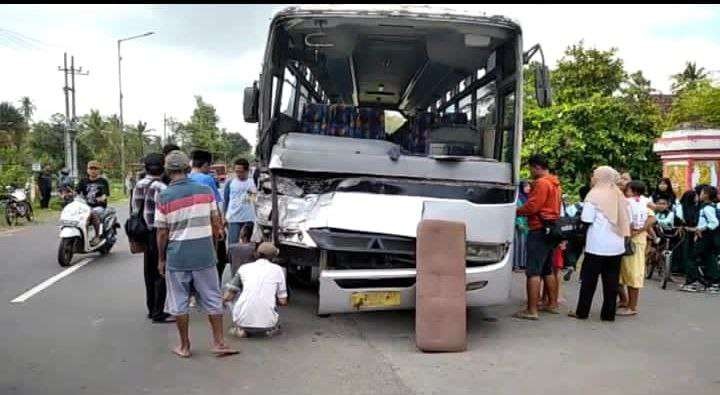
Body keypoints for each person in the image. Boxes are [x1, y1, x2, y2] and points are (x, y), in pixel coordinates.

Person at [155, 150, 238, 358]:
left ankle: (184, 346)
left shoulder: (163, 196)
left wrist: (161, 259)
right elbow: (216, 224)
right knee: (212, 297)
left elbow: (162, 232)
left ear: (167, 170)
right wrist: (213, 246)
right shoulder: (205, 190)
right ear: (186, 167)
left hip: (177, 257)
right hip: (204, 255)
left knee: (179, 301)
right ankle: (219, 343)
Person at [569, 166, 630, 321]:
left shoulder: (594, 195)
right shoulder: (618, 194)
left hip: (597, 245)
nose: (592, 178)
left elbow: (587, 219)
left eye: (594, 176)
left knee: (589, 281)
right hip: (616, 245)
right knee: (611, 282)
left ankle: (582, 311)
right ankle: (608, 314)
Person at [513, 154, 562, 320]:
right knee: (547, 269)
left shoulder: (541, 183)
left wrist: (515, 210)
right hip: (551, 229)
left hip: (538, 229)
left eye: (530, 168)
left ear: (537, 167)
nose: (530, 172)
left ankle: (531, 310)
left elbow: (533, 206)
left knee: (533, 271)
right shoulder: (555, 183)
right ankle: (552, 303)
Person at [131, 153, 173, 323]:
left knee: (148, 272)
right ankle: (159, 311)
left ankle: (151, 308)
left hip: (142, 233)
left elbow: (134, 209)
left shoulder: (138, 184)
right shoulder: (162, 188)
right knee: (161, 271)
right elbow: (164, 214)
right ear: (163, 167)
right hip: (158, 232)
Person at [223, 242, 288, 338]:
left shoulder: (244, 268)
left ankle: (240, 328)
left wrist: (223, 301)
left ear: (257, 254)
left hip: (242, 320)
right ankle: (269, 328)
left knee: (233, 296)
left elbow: (228, 296)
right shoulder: (278, 270)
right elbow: (283, 301)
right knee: (271, 303)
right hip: (268, 323)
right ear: (273, 257)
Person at [617, 180, 656, 316]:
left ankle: (632, 307)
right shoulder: (629, 202)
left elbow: (652, 218)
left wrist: (639, 230)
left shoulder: (640, 202)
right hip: (625, 240)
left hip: (635, 242)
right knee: (621, 273)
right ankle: (624, 301)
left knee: (633, 273)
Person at [189, 150, 227, 282]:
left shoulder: (186, 178)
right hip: (207, 224)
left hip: (190, 226)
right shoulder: (207, 179)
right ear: (205, 164)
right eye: (209, 165)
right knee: (218, 257)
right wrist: (220, 227)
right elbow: (215, 205)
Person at [681, 185, 719, 292]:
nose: (699, 195)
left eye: (701, 193)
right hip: (709, 236)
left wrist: (701, 229)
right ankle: (713, 283)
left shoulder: (707, 208)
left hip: (706, 236)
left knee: (692, 257)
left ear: (706, 195)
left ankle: (694, 282)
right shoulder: (710, 206)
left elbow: (714, 223)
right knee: (708, 257)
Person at [224, 158, 257, 250]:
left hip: (248, 219)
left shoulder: (252, 183)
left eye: (241, 171)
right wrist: (224, 217)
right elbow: (226, 201)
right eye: (236, 171)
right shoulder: (230, 183)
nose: (238, 174)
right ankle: (232, 262)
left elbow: (251, 200)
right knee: (232, 245)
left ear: (247, 171)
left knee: (247, 246)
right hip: (233, 218)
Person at [76, 160, 110, 245]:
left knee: (93, 213)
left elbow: (105, 195)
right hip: (85, 206)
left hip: (99, 206)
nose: (93, 170)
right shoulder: (83, 181)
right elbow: (76, 192)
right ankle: (80, 236)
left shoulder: (103, 181)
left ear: (99, 170)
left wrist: (101, 198)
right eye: (91, 168)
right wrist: (67, 194)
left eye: (95, 168)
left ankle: (97, 236)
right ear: (87, 170)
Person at [563, 185, 590, 281]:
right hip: (588, 234)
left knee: (573, 250)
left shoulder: (574, 206)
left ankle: (571, 265)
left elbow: (566, 217)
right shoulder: (592, 207)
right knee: (587, 255)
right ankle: (582, 277)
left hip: (574, 233)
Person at [512, 180, 530, 272]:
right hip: (519, 224)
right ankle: (516, 265)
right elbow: (516, 211)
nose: (528, 188)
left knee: (524, 244)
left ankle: (523, 264)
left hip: (526, 224)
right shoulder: (517, 198)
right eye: (526, 186)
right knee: (518, 244)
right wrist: (519, 223)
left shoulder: (527, 198)